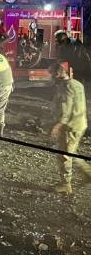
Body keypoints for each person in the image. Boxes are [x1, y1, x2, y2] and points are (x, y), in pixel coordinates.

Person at [48, 61, 89, 195]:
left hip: (70, 127)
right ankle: (88, 173)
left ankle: (66, 185)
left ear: (58, 73)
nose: (51, 76)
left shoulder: (65, 87)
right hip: (80, 124)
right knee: (71, 151)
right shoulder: (77, 84)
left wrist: (58, 126)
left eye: (52, 73)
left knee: (64, 155)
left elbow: (66, 109)